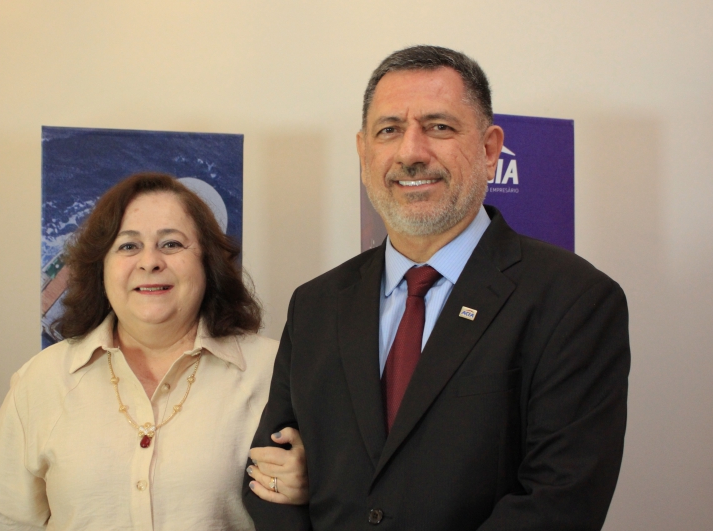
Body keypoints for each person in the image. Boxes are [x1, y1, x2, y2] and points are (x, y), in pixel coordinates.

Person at [244, 45, 630, 530]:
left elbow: (560, 505)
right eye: (389, 130)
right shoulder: (316, 305)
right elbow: (268, 476)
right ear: (364, 153)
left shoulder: (574, 300)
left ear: (490, 150)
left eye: (439, 127)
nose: (411, 152)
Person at [0, 173, 308, 531]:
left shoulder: (276, 371)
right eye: (128, 246)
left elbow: (339, 499)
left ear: (208, 262)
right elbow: (10, 519)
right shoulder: (41, 380)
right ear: (101, 267)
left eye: (171, 244)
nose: (149, 261)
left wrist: (311, 486)